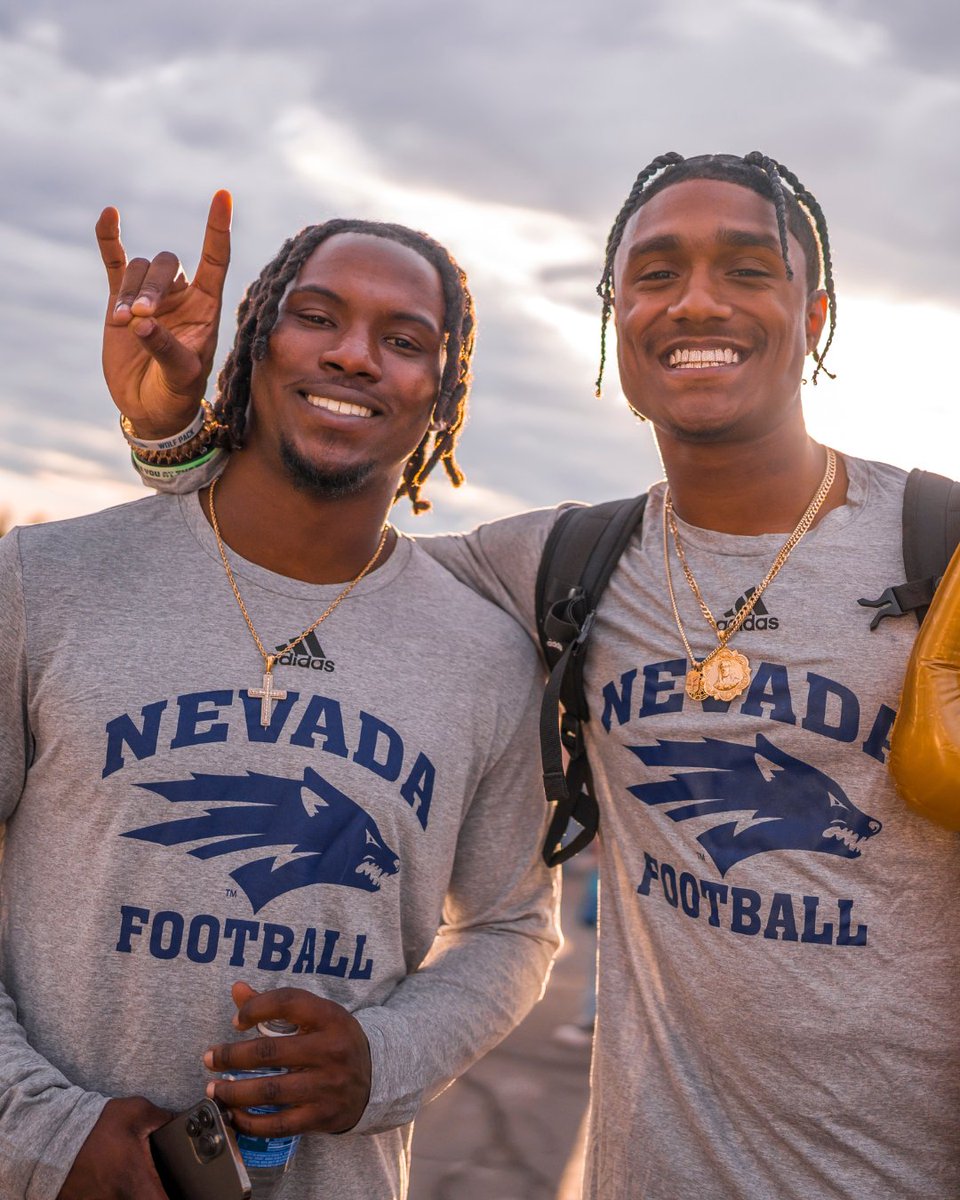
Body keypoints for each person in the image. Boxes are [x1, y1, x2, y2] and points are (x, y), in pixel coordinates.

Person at [108, 154, 960, 1199]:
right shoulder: (560, 568)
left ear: (815, 314)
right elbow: (314, 546)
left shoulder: (942, 554)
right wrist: (172, 432)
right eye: (654, 273)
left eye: (745, 269)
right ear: (617, 318)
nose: (696, 300)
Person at [0, 194, 560, 1200]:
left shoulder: (486, 653)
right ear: (254, 346)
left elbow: (514, 928)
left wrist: (380, 1061)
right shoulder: (45, 582)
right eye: (317, 316)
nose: (353, 355)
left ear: (443, 393)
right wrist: (42, 1128)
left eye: (403, 339)